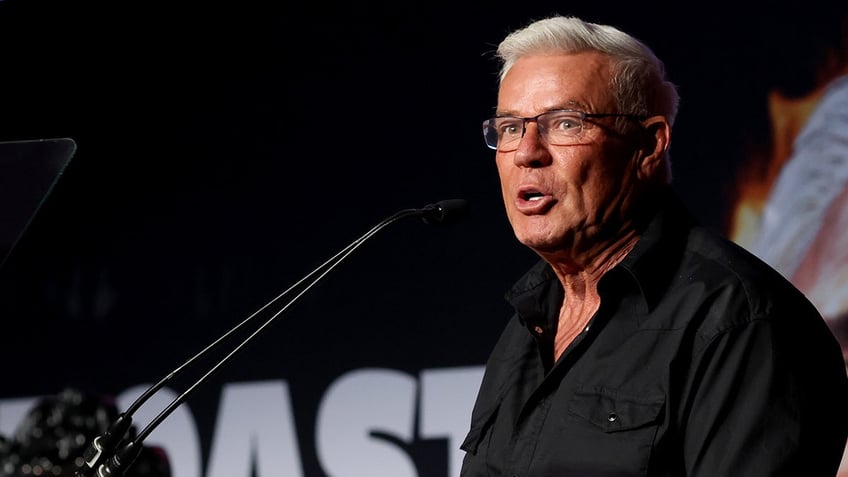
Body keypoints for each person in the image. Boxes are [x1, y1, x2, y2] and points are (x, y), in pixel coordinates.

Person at [459, 15, 848, 477]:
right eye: (509, 128)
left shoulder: (738, 321)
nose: (527, 151)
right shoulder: (528, 327)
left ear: (649, 145)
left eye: (564, 122)